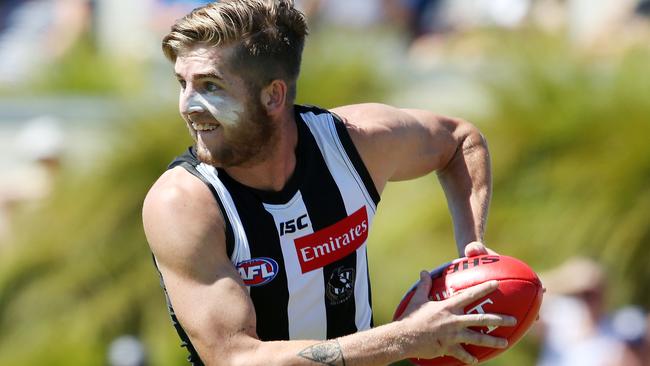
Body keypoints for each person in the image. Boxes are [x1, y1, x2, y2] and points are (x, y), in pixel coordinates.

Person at [142, 1, 516, 365]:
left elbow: (460, 141)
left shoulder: (355, 144)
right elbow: (236, 358)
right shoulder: (184, 202)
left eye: (210, 86)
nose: (187, 106)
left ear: (274, 95)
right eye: (182, 83)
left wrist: (472, 253)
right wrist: (405, 337)